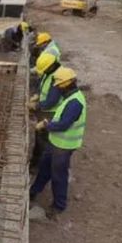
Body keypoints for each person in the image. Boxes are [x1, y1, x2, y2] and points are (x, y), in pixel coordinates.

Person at [30, 67, 86, 219]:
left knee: (58, 175)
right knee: (44, 167)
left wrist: (46, 125)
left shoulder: (75, 102)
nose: (56, 86)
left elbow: (63, 125)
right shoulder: (69, 95)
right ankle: (33, 191)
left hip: (64, 146)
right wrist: (48, 121)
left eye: (58, 84)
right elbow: (60, 117)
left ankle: (58, 206)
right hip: (55, 142)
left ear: (67, 83)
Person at [26, 52, 62, 168]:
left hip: (51, 113)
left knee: (44, 140)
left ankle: (40, 166)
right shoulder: (49, 73)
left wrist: (35, 106)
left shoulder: (58, 78)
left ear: (51, 66)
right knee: (39, 138)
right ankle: (36, 163)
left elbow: (52, 101)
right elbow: (43, 86)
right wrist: (37, 95)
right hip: (44, 110)